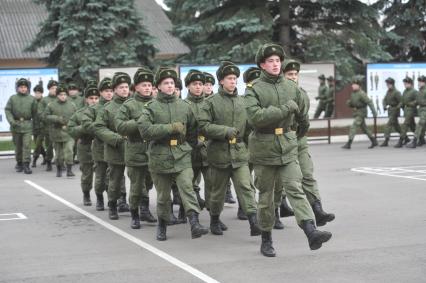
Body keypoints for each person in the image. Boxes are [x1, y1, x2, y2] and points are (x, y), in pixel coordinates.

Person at [245, 43, 332, 257]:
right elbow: (255, 118)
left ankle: (311, 231)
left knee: (295, 189)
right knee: (266, 198)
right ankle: (266, 238)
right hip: (264, 150)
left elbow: (303, 118)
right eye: (270, 61)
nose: (275, 64)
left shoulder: (292, 87)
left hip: (287, 148)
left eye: (277, 61)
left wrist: (295, 135)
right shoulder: (254, 89)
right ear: (262, 65)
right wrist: (284, 109)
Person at [138, 67, 208, 241]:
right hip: (159, 156)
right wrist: (169, 128)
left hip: (182, 155)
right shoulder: (151, 107)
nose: (169, 86)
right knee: (163, 197)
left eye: (172, 83)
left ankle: (194, 223)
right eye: (165, 83)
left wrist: (188, 147)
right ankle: (162, 225)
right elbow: (145, 130)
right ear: (159, 87)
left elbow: (193, 129)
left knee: (187, 188)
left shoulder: (185, 106)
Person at [282, 59, 335, 227]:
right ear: (282, 76)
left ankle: (317, 210)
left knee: (307, 174)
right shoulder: (277, 94)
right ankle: (280, 206)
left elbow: (304, 118)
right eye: (289, 74)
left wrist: (301, 134)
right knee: (282, 179)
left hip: (299, 138)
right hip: (282, 139)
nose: (293, 77)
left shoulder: (301, 93)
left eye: (295, 74)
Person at [115, 67, 157, 229]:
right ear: (136, 87)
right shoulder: (129, 105)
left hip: (153, 153)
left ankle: (145, 210)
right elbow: (120, 126)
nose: (147, 88)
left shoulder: (156, 103)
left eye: (149, 85)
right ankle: (135, 215)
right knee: (136, 186)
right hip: (135, 152)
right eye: (144, 85)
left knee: (148, 184)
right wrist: (140, 121)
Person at [94, 72, 130, 220]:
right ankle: (113, 205)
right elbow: (99, 128)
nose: (124, 90)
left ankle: (138, 206)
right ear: (115, 89)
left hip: (133, 148)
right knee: (115, 180)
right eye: (121, 87)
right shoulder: (107, 108)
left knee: (137, 180)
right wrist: (116, 138)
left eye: (126, 87)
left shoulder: (133, 104)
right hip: (115, 149)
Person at [81, 78, 113, 210]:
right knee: (100, 176)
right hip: (100, 147)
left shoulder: (118, 106)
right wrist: (101, 129)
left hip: (115, 147)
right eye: (106, 91)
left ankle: (117, 200)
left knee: (116, 177)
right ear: (101, 92)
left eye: (111, 91)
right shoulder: (94, 109)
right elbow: (86, 124)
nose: (109, 93)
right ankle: (99, 197)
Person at [68, 85, 99, 205]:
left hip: (101, 146)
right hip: (85, 146)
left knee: (103, 174)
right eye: (91, 98)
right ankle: (86, 194)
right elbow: (71, 129)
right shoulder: (79, 114)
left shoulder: (103, 111)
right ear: (86, 99)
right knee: (87, 174)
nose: (94, 100)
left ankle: (101, 197)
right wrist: (84, 128)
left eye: (96, 98)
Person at [184, 70, 208, 212]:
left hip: (208, 150)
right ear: (188, 86)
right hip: (190, 151)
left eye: (200, 84)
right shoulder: (183, 105)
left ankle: (214, 217)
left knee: (212, 185)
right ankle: (184, 210)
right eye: (195, 84)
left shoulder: (210, 103)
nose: (198, 87)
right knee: (188, 183)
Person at [44, 84, 77, 177]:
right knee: (58, 154)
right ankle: (59, 169)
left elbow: (76, 117)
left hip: (68, 132)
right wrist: (56, 118)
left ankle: (69, 170)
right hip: (56, 132)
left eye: (64, 94)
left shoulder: (72, 105)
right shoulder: (51, 105)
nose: (63, 96)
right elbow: (45, 116)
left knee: (69, 151)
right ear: (57, 95)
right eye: (61, 95)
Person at [5, 78, 37, 174]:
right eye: (21, 87)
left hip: (27, 125)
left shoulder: (31, 99)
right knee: (18, 146)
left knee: (27, 145)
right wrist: (11, 121)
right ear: (17, 88)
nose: (23, 89)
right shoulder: (13, 98)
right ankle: (19, 163)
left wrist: (35, 125)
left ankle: (26, 164)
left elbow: (35, 113)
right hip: (16, 125)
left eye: (25, 87)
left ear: (27, 88)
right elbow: (8, 110)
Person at [342, 76, 378, 149]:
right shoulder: (353, 94)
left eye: (354, 84)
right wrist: (349, 103)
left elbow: (369, 102)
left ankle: (349, 143)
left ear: (358, 85)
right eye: (352, 84)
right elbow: (353, 103)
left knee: (354, 126)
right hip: (356, 112)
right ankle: (374, 141)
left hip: (361, 112)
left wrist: (374, 112)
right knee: (364, 128)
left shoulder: (362, 93)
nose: (352, 86)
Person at [38, 80, 59, 171]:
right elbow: (40, 114)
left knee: (60, 147)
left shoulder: (61, 99)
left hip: (60, 128)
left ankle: (60, 163)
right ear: (49, 89)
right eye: (52, 88)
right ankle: (49, 162)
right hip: (48, 128)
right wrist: (51, 119)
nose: (54, 90)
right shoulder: (44, 100)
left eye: (56, 88)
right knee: (49, 146)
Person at [380, 77, 402, 147]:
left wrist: (397, 107)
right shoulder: (388, 91)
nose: (387, 85)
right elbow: (384, 99)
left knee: (388, 125)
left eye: (389, 84)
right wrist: (384, 105)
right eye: (387, 84)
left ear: (392, 84)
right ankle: (405, 137)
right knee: (396, 127)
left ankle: (386, 140)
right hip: (390, 110)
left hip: (395, 111)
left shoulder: (397, 92)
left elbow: (401, 101)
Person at [397, 77, 417, 148]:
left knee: (405, 125)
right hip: (406, 110)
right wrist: (398, 106)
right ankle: (421, 138)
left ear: (410, 84)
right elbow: (402, 101)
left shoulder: (414, 91)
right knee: (412, 126)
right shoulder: (405, 91)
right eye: (404, 83)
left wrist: (411, 104)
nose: (405, 85)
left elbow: (417, 100)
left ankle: (400, 140)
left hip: (411, 110)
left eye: (406, 83)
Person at [407, 76, 426, 148]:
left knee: (420, 124)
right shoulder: (420, 91)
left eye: (421, 82)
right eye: (419, 82)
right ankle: (421, 140)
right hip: (421, 110)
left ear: (424, 82)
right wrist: (411, 103)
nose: (419, 83)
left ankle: (414, 141)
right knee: (423, 126)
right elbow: (418, 100)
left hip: (425, 109)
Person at [32, 84, 46, 167]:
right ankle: (45, 156)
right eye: (36, 93)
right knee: (38, 144)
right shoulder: (32, 101)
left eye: (39, 93)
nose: (37, 94)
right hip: (34, 127)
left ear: (42, 93)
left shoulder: (44, 102)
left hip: (42, 127)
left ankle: (34, 160)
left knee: (37, 145)